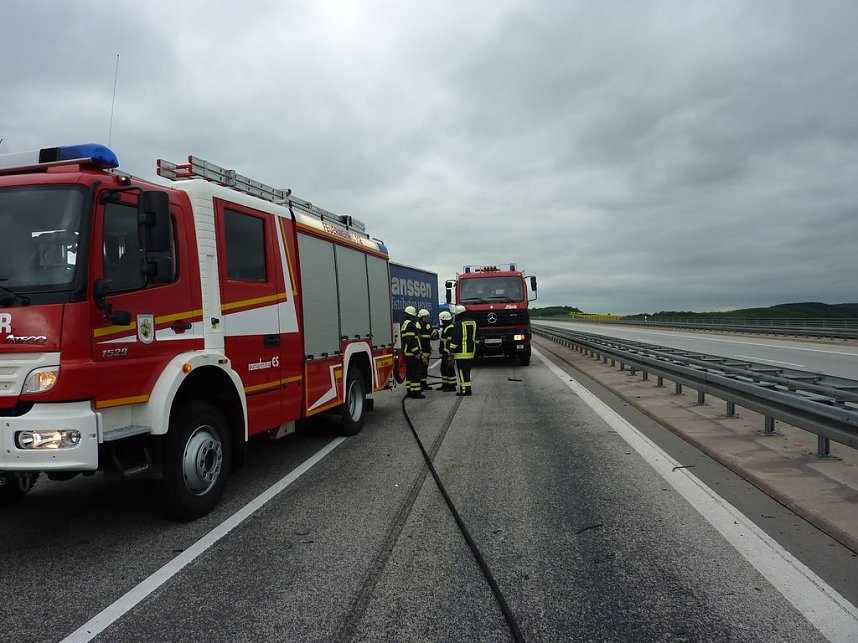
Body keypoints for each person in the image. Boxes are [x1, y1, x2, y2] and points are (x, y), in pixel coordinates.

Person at [449, 304, 478, 396]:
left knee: (462, 372)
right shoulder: (473, 322)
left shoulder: (458, 324)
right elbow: (477, 336)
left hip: (461, 353)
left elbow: (455, 339)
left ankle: (465, 390)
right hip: (471, 352)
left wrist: (451, 350)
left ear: (458, 314)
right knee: (467, 372)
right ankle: (468, 388)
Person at [401, 306, 425, 399]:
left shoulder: (405, 324)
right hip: (412, 354)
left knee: (410, 373)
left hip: (408, 353)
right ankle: (416, 392)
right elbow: (410, 340)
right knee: (416, 373)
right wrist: (416, 352)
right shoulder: (410, 324)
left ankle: (410, 390)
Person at [417, 308, 437, 390]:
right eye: (425, 317)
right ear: (421, 317)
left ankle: (424, 384)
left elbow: (433, 336)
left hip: (427, 351)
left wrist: (435, 334)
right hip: (420, 352)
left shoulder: (428, 326)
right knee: (419, 369)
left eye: (427, 317)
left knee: (425, 369)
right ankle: (419, 385)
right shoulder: (417, 326)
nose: (426, 319)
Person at [438, 310, 457, 391]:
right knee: (443, 369)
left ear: (445, 320)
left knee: (449, 369)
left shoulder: (450, 329)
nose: (441, 322)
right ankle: (445, 384)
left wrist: (446, 351)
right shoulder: (447, 328)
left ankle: (452, 386)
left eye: (442, 320)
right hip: (445, 353)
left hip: (449, 353)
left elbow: (450, 342)